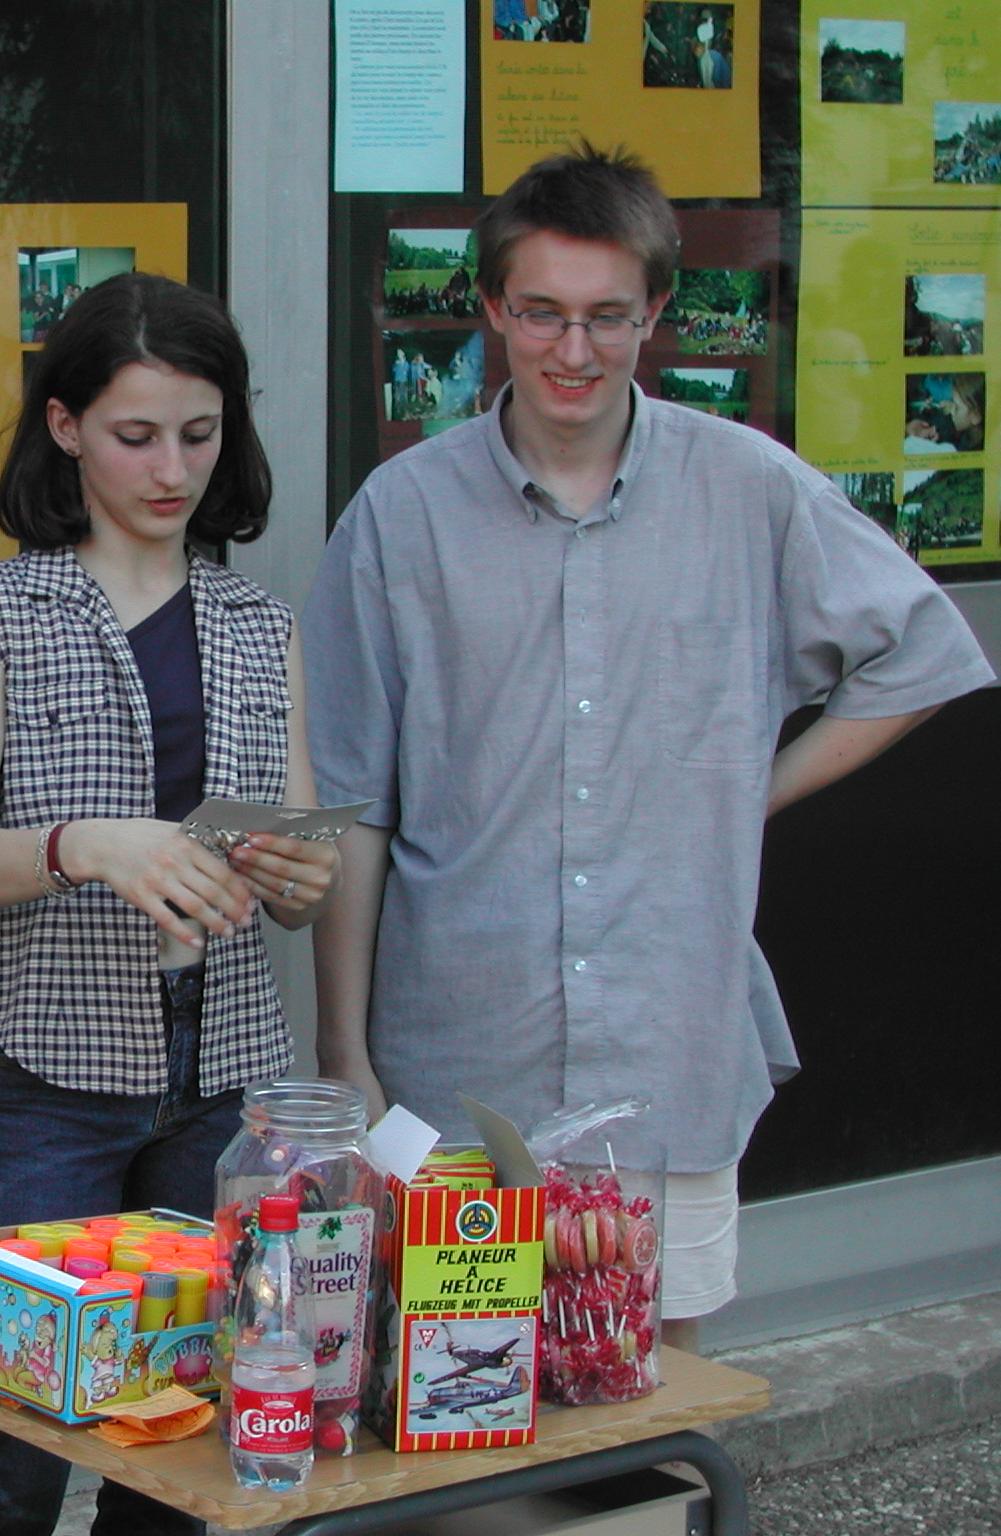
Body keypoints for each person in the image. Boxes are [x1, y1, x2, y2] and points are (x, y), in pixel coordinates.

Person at [302, 145, 993, 1353]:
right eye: (541, 312)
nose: (572, 350)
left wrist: (747, 794)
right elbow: (351, 801)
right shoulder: (399, 517)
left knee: (654, 1388)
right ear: (490, 307)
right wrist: (343, 1050)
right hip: (459, 1060)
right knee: (458, 1385)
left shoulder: (748, 490)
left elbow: (921, 652)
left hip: (667, 1048)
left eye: (606, 316)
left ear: (656, 311)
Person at [0, 272, 338, 1536]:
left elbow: (295, 863)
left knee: (184, 1439)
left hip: (229, 1075)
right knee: (17, 1433)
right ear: (64, 426)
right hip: (49, 1072)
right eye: (134, 435)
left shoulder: (259, 623)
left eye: (198, 434)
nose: (170, 469)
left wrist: (301, 876)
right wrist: (81, 846)